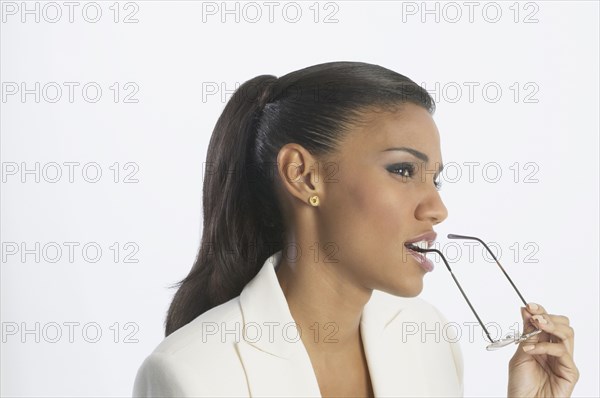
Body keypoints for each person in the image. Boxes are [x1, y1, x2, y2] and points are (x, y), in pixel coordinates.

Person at [132, 62, 579, 397]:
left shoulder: (428, 336)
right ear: (304, 176)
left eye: (435, 178)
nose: (438, 209)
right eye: (404, 170)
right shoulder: (191, 374)